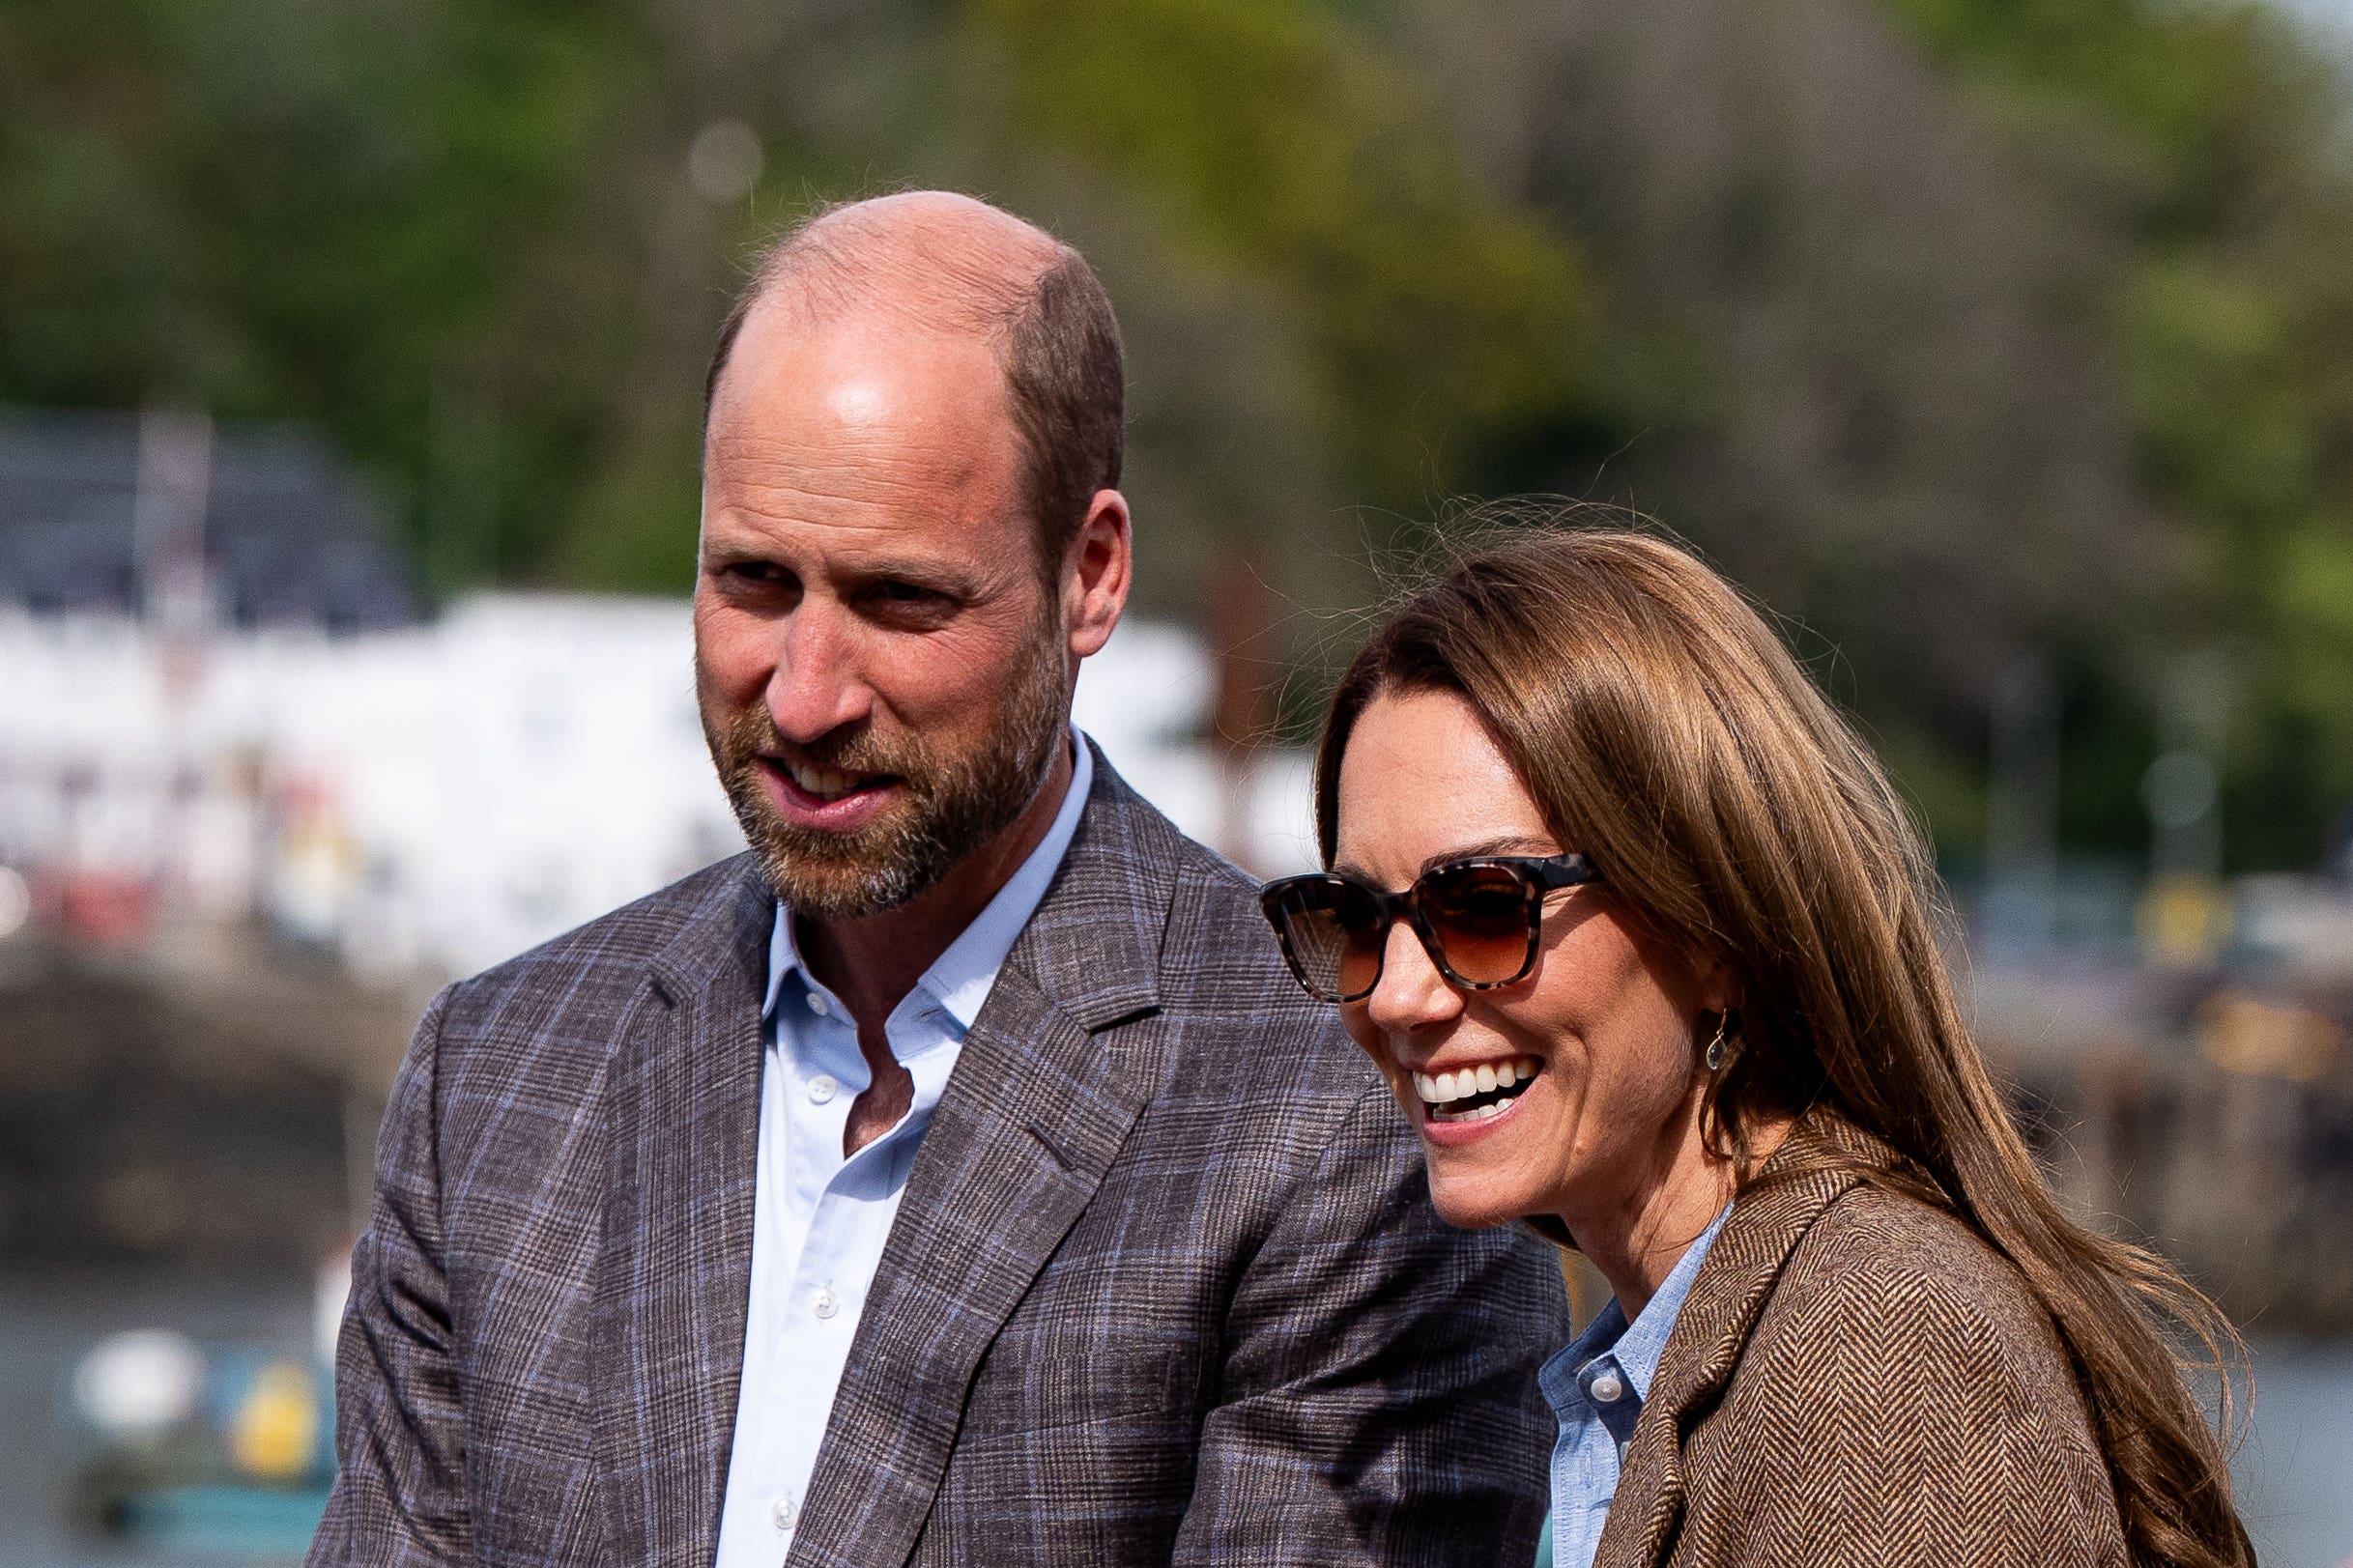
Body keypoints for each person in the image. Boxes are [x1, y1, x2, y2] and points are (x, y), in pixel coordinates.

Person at [309, 193, 1566, 1568]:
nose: (805, 696)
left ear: (1090, 576)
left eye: (900, 599)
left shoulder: (1353, 1113)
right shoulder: (498, 1080)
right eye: (752, 581)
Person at [1258, 526, 2256, 1568]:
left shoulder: (1879, 1345)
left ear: (1711, 929)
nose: (1399, 995)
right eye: (1353, 917)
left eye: (1481, 905)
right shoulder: (1676, 1359)